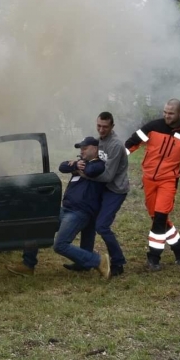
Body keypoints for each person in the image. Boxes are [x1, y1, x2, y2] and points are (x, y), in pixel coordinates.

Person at [125, 99, 180, 271]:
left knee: (159, 218)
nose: (166, 116)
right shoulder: (153, 127)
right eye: (165, 112)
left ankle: (153, 258)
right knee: (157, 218)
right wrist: (114, 160)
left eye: (171, 113)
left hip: (168, 181)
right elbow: (131, 143)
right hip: (149, 180)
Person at [7, 136, 111, 278]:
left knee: (60, 245)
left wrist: (77, 166)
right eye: (81, 149)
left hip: (79, 212)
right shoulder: (80, 163)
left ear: (95, 148)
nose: (82, 151)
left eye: (85, 148)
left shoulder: (100, 165)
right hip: (66, 209)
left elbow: (91, 170)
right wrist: (75, 165)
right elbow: (63, 166)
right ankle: (27, 265)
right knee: (35, 227)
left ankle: (99, 261)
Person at [65, 112, 130, 276]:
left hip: (115, 190)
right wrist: (77, 163)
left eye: (105, 127)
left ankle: (118, 262)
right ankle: (84, 262)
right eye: (99, 126)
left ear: (112, 126)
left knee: (102, 226)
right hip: (102, 188)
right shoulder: (97, 141)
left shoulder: (116, 145)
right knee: (90, 222)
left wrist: (83, 174)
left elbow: (108, 176)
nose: (101, 130)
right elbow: (89, 159)